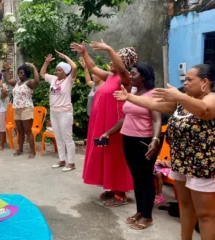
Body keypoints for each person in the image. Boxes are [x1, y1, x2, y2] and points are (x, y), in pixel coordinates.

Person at [114, 64, 215, 239]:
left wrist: (178, 95)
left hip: (203, 166)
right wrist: (129, 97)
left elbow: (204, 111)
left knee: (205, 214)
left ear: (204, 82)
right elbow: (153, 104)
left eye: (190, 80)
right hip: (181, 161)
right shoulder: (182, 101)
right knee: (185, 205)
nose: (185, 83)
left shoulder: (211, 98)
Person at [71, 40, 138, 206]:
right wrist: (84, 53)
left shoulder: (125, 78)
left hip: (115, 122)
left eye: (115, 59)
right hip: (102, 121)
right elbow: (92, 68)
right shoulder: (110, 77)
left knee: (116, 155)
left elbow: (121, 68)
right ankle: (112, 187)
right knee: (105, 154)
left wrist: (109, 48)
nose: (110, 62)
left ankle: (120, 193)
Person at [100, 63, 162, 229]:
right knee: (136, 177)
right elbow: (125, 118)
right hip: (128, 139)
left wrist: (155, 139)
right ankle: (140, 211)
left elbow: (157, 119)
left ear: (143, 76)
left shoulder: (153, 94)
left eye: (133, 74)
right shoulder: (132, 93)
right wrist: (109, 132)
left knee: (146, 178)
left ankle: (148, 217)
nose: (130, 76)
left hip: (145, 141)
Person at [39, 51, 77, 172]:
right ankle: (62, 160)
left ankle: (71, 162)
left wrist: (65, 57)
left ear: (65, 72)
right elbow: (42, 73)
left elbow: (75, 67)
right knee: (58, 137)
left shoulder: (69, 80)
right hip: (54, 112)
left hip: (65, 112)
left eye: (60, 70)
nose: (56, 72)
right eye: (56, 70)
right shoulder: (53, 79)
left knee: (67, 137)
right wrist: (46, 62)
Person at [4, 62, 39, 158]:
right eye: (19, 73)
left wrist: (34, 67)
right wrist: (7, 70)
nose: (20, 75)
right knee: (20, 131)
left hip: (26, 109)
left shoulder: (29, 82)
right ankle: (20, 149)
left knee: (28, 131)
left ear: (26, 73)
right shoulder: (17, 83)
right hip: (17, 109)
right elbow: (8, 80)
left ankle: (33, 151)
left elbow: (37, 81)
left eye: (21, 73)